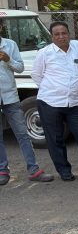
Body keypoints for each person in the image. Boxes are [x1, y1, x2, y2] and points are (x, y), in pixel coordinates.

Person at [31, 21, 78, 181]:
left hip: (74, 104)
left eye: (64, 33)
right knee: (55, 139)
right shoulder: (44, 53)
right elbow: (36, 75)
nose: (61, 37)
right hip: (49, 103)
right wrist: (52, 89)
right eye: (57, 34)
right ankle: (64, 170)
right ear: (52, 37)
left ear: (69, 34)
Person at [0, 19, 53, 185]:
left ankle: (34, 169)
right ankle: (2, 170)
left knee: (22, 134)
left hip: (10, 97)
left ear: (0, 27)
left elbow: (20, 68)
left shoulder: (10, 45)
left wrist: (8, 59)